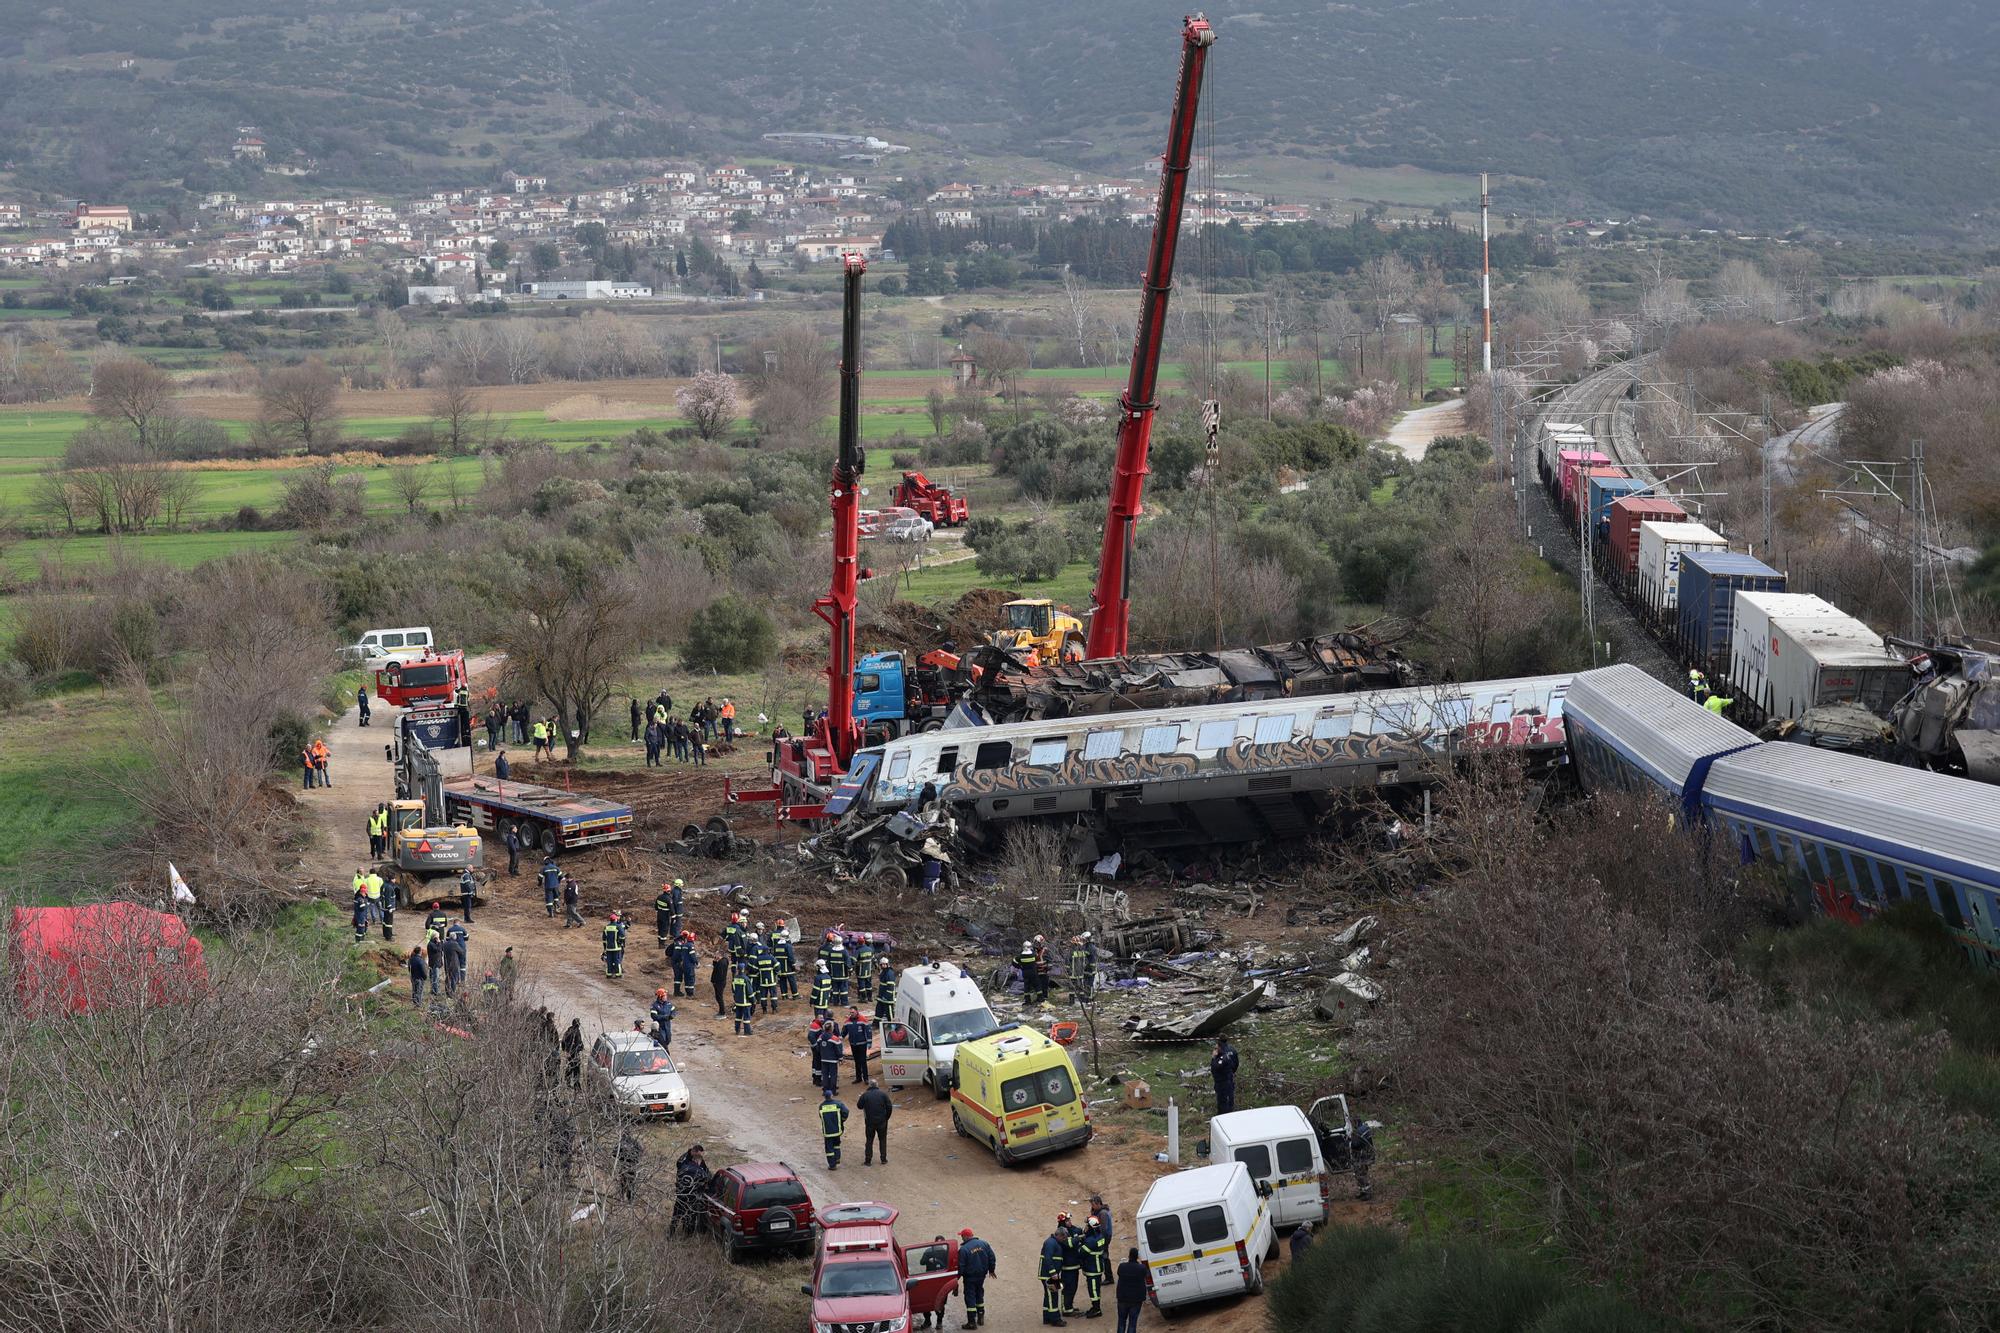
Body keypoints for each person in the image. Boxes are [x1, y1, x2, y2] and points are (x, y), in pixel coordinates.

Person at [959, 1228, 996, 1329]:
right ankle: (980, 1317)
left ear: (966, 1236)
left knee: (970, 1297)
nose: (961, 1238)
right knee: (979, 1294)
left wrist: (956, 1279)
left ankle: (971, 1323)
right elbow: (992, 1257)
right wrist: (991, 1270)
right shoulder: (984, 1244)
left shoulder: (963, 1249)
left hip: (969, 1278)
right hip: (981, 1276)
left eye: (962, 1236)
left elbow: (961, 1266)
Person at [672, 1144, 710, 1234]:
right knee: (677, 1214)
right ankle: (671, 1233)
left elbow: (706, 1173)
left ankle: (687, 1233)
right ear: (694, 1152)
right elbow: (681, 1170)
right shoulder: (684, 1159)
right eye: (699, 1155)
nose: (700, 1157)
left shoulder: (699, 1160)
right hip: (683, 1191)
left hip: (692, 1194)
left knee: (690, 1215)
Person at [1080, 1215, 1110, 1318]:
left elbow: (1081, 1252)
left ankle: (1096, 1309)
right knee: (1096, 1288)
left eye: (1087, 1226)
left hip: (1092, 1268)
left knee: (1093, 1289)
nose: (1085, 1228)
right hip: (1097, 1267)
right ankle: (1095, 1308)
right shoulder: (1100, 1236)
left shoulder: (1091, 1241)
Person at [857, 1078, 892, 1165]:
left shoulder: (865, 1095)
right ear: (877, 1085)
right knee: (882, 1140)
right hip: (882, 1121)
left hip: (870, 1122)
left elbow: (859, 1106)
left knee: (869, 1140)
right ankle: (883, 1159)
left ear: (869, 1085)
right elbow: (889, 1107)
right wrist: (886, 1117)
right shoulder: (883, 1094)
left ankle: (868, 1160)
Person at [1039, 1223, 1068, 1327]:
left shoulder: (1053, 1242)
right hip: (1049, 1275)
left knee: (1048, 1296)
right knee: (1053, 1295)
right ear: (1059, 1235)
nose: (1064, 1239)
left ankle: (1047, 1317)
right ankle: (1055, 1319)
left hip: (1050, 1274)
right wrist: (1053, 1273)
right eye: (1063, 1237)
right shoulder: (1051, 1243)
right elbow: (1048, 1258)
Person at [1114, 1247, 1146, 1333]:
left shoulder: (1122, 1267)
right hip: (1136, 1300)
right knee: (1132, 1322)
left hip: (1122, 1298)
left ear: (1129, 1256)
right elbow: (1145, 1274)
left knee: (1121, 1321)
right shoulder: (1141, 1268)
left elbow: (1119, 1273)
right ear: (1137, 1257)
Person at [1058, 1212, 1083, 1316]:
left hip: (1074, 1265)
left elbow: (1078, 1230)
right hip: (1067, 1267)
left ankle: (1070, 1307)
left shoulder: (1071, 1229)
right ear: (1063, 1222)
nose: (1070, 1222)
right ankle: (1065, 1309)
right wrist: (1079, 1238)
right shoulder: (1061, 1233)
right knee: (1067, 1288)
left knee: (1073, 1287)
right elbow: (1069, 1243)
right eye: (1067, 1221)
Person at [612, 1124, 643, 1204]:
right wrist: (635, 1159)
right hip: (632, 1166)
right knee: (631, 1184)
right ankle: (630, 1201)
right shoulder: (634, 1142)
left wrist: (621, 1157)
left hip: (623, 1166)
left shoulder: (620, 1142)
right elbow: (640, 1152)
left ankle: (621, 1199)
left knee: (622, 1183)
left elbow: (614, 1153)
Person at [818, 1092, 849, 1170]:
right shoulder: (838, 1104)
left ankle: (832, 1165)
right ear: (831, 1095)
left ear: (824, 1097)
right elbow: (846, 1112)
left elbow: (821, 1117)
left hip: (827, 1131)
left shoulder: (821, 1106)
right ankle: (837, 1158)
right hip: (837, 1130)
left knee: (829, 1149)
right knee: (836, 1144)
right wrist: (842, 1120)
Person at [1210, 1035, 1239, 1115]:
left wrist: (1213, 1058)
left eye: (1216, 1047)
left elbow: (1215, 1067)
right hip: (1228, 1078)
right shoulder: (1232, 1049)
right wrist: (1232, 1072)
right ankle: (1228, 1112)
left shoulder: (1222, 1055)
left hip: (1222, 1081)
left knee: (1223, 1101)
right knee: (1229, 1099)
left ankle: (1224, 1116)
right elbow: (1236, 1063)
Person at [843, 1008, 873, 1085]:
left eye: (853, 1012)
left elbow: (868, 1031)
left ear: (857, 1012)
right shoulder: (847, 1022)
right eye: (850, 1012)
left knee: (863, 1061)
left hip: (862, 1044)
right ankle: (858, 1078)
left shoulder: (863, 1019)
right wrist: (839, 1039)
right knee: (856, 1061)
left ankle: (866, 1078)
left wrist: (869, 1042)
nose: (851, 1014)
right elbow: (844, 1032)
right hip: (853, 1044)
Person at [1351, 1117, 1376, 1200]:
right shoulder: (1365, 1128)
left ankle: (1367, 1193)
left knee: (1361, 1174)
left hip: (1363, 1156)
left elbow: (1355, 1144)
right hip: (1368, 1154)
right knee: (1361, 1173)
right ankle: (1363, 1192)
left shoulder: (1359, 1131)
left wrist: (1351, 1139)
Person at [816, 1023, 845, 1097]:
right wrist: (840, 1058)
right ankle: (833, 1091)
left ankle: (825, 1090)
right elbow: (838, 1050)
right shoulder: (834, 1038)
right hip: (832, 1060)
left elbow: (818, 1048)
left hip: (823, 1059)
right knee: (833, 1075)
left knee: (825, 1075)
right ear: (831, 1029)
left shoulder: (820, 1037)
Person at [443, 921, 468, 998]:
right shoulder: (462, 929)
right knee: (457, 972)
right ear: (458, 923)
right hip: (455, 960)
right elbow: (466, 938)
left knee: (448, 977)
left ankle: (447, 992)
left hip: (447, 962)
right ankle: (459, 984)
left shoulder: (445, 942)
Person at [773, 918, 797, 998]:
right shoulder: (788, 946)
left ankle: (784, 995)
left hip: (780, 966)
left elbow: (775, 955)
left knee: (782, 980)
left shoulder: (776, 946)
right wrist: (793, 965)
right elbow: (790, 957)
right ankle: (795, 995)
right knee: (792, 980)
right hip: (788, 967)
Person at [1068, 933, 1096, 1002]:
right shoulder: (1086, 946)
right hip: (1084, 969)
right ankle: (1085, 998)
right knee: (1085, 984)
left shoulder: (1090, 947)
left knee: (1089, 984)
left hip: (1090, 969)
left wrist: (1080, 948)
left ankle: (1090, 998)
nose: (1082, 941)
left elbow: (1085, 954)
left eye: (1084, 939)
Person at [561, 1017, 583, 1090]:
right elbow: (579, 1043)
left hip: (570, 1053)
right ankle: (576, 1085)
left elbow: (563, 1041)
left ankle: (567, 1083)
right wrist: (580, 1048)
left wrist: (565, 1050)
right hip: (575, 1053)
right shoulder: (576, 1032)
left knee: (569, 1068)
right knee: (576, 1069)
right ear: (577, 1024)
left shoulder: (569, 1030)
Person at [874, 953, 897, 1024]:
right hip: (881, 996)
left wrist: (885, 997)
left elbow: (890, 988)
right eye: (882, 964)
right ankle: (876, 1023)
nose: (883, 966)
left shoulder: (889, 973)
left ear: (887, 964)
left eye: (885, 964)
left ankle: (892, 1025)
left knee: (889, 1013)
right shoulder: (883, 972)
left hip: (888, 998)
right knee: (879, 1010)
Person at [731, 967, 754, 1036]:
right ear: (744, 970)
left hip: (738, 1002)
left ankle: (737, 1030)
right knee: (746, 1017)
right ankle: (747, 1031)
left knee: (738, 1017)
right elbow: (749, 991)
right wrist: (753, 1000)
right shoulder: (746, 979)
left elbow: (733, 990)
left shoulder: (735, 978)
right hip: (745, 1003)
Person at [854, 938, 876, 1005]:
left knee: (862, 985)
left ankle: (864, 998)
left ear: (858, 943)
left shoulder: (858, 950)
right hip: (868, 970)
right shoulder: (870, 949)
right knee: (869, 984)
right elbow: (873, 959)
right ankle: (870, 997)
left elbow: (854, 960)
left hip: (861, 971)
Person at [1016, 939, 1040, 1004]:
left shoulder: (1020, 956)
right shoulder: (1033, 954)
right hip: (1033, 972)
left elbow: (1014, 962)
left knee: (1026, 987)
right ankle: (1040, 999)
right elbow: (1037, 959)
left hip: (1025, 973)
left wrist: (1020, 966)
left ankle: (1027, 1001)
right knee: (1037, 986)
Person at [602, 912, 625, 978]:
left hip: (608, 948)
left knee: (609, 961)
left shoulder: (606, 927)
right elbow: (622, 935)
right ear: (615, 920)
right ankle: (618, 974)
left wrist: (605, 948)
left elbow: (604, 939)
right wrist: (620, 942)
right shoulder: (618, 926)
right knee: (617, 960)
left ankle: (609, 974)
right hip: (616, 948)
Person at [424, 924, 444, 997]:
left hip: (436, 962)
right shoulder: (431, 944)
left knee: (434, 977)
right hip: (434, 963)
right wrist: (439, 943)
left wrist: (439, 943)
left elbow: (441, 949)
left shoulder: (434, 943)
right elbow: (437, 949)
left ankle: (434, 990)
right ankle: (436, 991)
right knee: (435, 978)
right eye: (437, 937)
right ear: (435, 937)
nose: (438, 938)